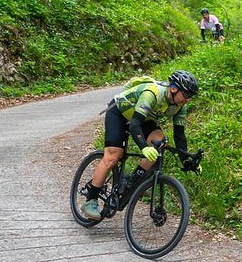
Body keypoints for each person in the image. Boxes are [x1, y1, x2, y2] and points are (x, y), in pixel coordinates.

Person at [80, 70, 200, 221]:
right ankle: (91, 199)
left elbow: (179, 135)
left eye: (190, 97)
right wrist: (144, 147)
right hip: (119, 113)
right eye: (186, 95)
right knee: (113, 155)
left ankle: (132, 182)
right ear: (174, 88)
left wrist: (186, 159)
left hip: (143, 118)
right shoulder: (152, 93)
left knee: (161, 143)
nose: (187, 100)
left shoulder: (180, 106)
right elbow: (134, 125)